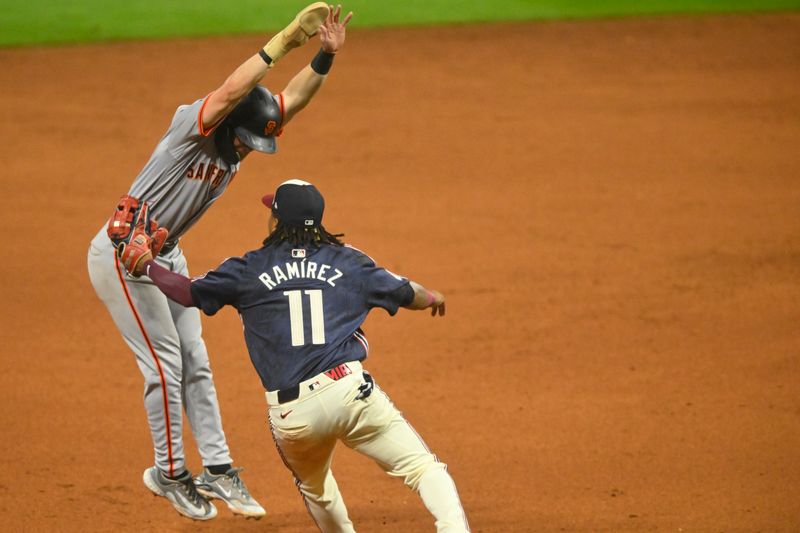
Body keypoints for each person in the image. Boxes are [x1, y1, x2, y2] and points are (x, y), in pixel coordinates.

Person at [87, 4, 353, 521]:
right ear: (228, 123)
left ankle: (218, 467)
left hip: (164, 252)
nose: (246, 150)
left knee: (196, 360)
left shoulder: (239, 141)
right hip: (124, 252)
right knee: (164, 365)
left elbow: (289, 102)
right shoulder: (193, 127)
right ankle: (168, 473)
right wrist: (283, 42)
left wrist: (323, 55)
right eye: (244, 138)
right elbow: (233, 90)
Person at [115, 179, 472, 532]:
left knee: (317, 490)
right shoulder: (349, 262)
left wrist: (146, 264)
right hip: (350, 392)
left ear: (277, 221)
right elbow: (407, 292)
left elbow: (187, 292)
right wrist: (433, 298)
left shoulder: (249, 268)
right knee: (424, 469)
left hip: (293, 415)